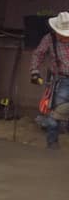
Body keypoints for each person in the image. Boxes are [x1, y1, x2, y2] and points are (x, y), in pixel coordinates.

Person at [30, 11, 69, 150]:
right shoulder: (49, 39)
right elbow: (38, 54)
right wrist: (34, 71)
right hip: (62, 79)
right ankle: (52, 144)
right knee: (56, 114)